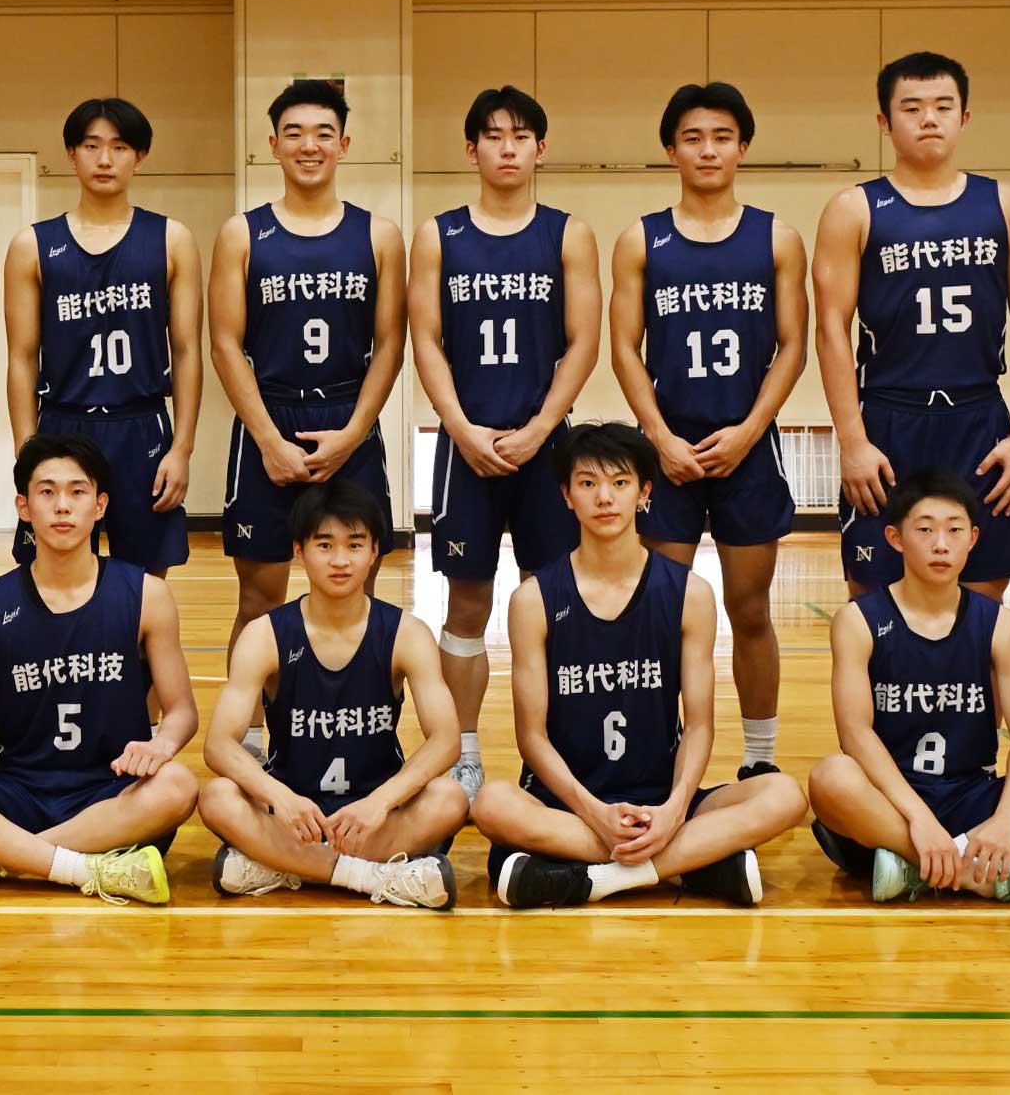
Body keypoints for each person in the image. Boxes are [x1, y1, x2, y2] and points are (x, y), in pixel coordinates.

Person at [472, 423, 806, 908]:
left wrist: (674, 810)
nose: (604, 497)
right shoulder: (533, 600)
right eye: (588, 483)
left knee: (785, 795)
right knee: (490, 804)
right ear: (566, 496)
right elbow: (532, 737)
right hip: (569, 803)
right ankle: (690, 865)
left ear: (644, 492)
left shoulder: (690, 594)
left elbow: (699, 726)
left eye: (620, 482)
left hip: (661, 797)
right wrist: (594, 813)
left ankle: (597, 878)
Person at [0, 435, 200, 905]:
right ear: (24, 507)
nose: (62, 506)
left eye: (77, 491)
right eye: (47, 492)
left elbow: (182, 711)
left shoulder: (147, 595)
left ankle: (0, 859)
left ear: (100, 505)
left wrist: (162, 745)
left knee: (178, 785)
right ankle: (84, 867)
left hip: (111, 795)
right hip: (18, 795)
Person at [610, 82, 807, 778]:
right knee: (661, 610)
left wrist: (751, 429)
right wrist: (659, 438)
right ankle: (654, 754)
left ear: (743, 147)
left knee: (749, 608)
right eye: (692, 138)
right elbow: (624, 348)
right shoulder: (641, 239)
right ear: (671, 150)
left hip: (747, 446)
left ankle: (759, 759)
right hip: (670, 450)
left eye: (722, 136)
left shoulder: (776, 238)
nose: (708, 150)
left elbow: (793, 345)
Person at [407, 85, 600, 796]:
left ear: (541, 149)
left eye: (521, 136)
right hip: (466, 449)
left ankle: (547, 752)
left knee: (549, 604)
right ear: (472, 150)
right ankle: (461, 751)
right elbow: (425, 339)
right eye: (494, 136)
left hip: (545, 448)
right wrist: (460, 428)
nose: (508, 147)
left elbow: (584, 341)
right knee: (465, 607)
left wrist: (543, 427)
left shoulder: (568, 234)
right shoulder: (440, 235)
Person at [209, 79, 408, 763]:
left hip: (348, 416)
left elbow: (391, 343)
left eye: (323, 132)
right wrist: (267, 438)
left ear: (345, 144)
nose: (309, 145)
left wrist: (354, 433)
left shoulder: (378, 234)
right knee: (260, 595)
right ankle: (252, 740)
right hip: (270, 416)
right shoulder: (243, 233)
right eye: (294, 133)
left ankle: (365, 732)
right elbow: (225, 343)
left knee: (357, 590)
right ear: (273, 144)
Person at [807, 469, 1010, 903]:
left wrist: (1007, 820)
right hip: (891, 804)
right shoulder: (858, 621)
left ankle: (920, 869)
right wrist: (919, 820)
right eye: (925, 530)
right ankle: (985, 875)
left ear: (973, 538)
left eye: (954, 530)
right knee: (831, 778)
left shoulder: (999, 624)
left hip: (974, 798)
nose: (941, 544)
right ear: (895, 538)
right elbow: (855, 734)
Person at [815, 52, 1010, 600]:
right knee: (874, 600)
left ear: (964, 117)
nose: (928, 119)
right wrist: (852, 440)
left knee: (983, 600)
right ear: (884, 121)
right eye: (912, 107)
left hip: (978, 417)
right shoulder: (854, 208)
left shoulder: (1008, 205)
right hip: (888, 418)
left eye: (943, 107)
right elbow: (830, 329)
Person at [197, 480, 467, 909]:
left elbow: (446, 740)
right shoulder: (265, 635)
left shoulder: (406, 633)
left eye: (354, 545)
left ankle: (281, 867)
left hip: (373, 816)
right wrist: (280, 798)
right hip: (294, 816)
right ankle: (375, 876)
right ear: (299, 551)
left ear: (374, 551)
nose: (340, 560)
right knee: (216, 798)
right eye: (324, 545)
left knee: (450, 799)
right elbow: (218, 745)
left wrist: (380, 802)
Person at [2, 98, 202, 577]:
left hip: (141, 424)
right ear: (71, 154)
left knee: (146, 578)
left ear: (140, 156)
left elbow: (187, 352)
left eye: (119, 147)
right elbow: (22, 358)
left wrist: (182, 448)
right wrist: (27, 451)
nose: (105, 159)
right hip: (63, 424)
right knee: (53, 573)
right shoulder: (32, 245)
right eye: (91, 146)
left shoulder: (172, 239)